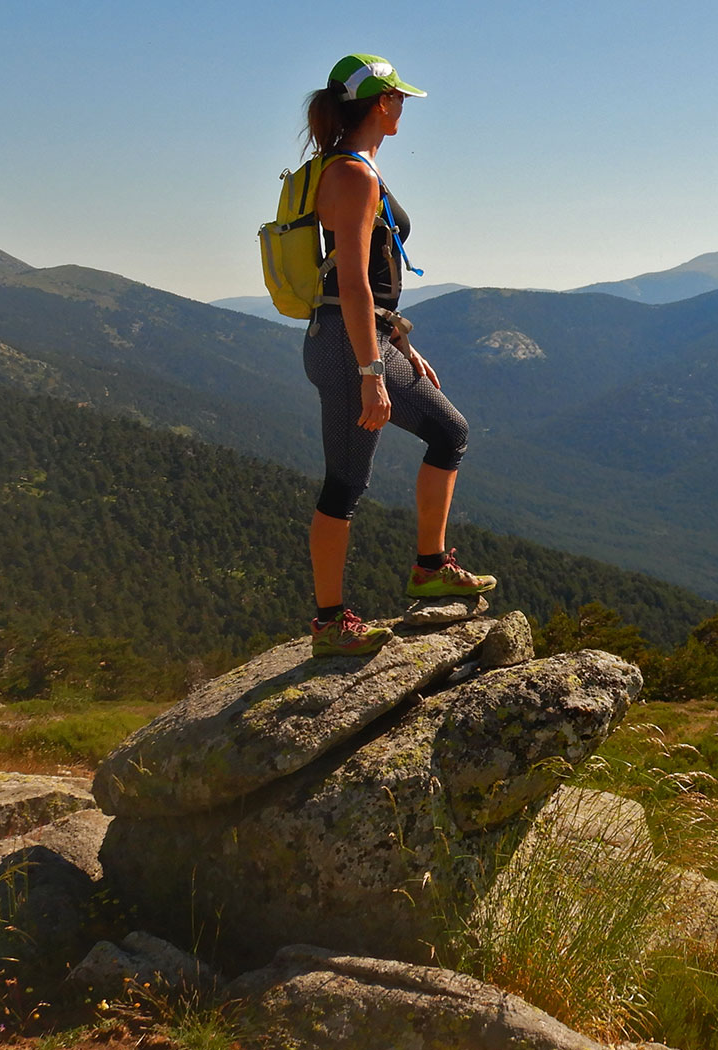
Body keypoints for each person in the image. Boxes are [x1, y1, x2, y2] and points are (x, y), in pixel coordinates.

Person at [302, 53, 495, 657]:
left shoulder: (343, 167)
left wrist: (402, 346)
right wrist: (371, 371)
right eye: (400, 99)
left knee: (437, 436)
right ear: (381, 103)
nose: (404, 109)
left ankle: (425, 567)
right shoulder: (353, 174)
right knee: (354, 478)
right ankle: (342, 616)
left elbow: (366, 285)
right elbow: (355, 282)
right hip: (348, 346)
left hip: (354, 338)